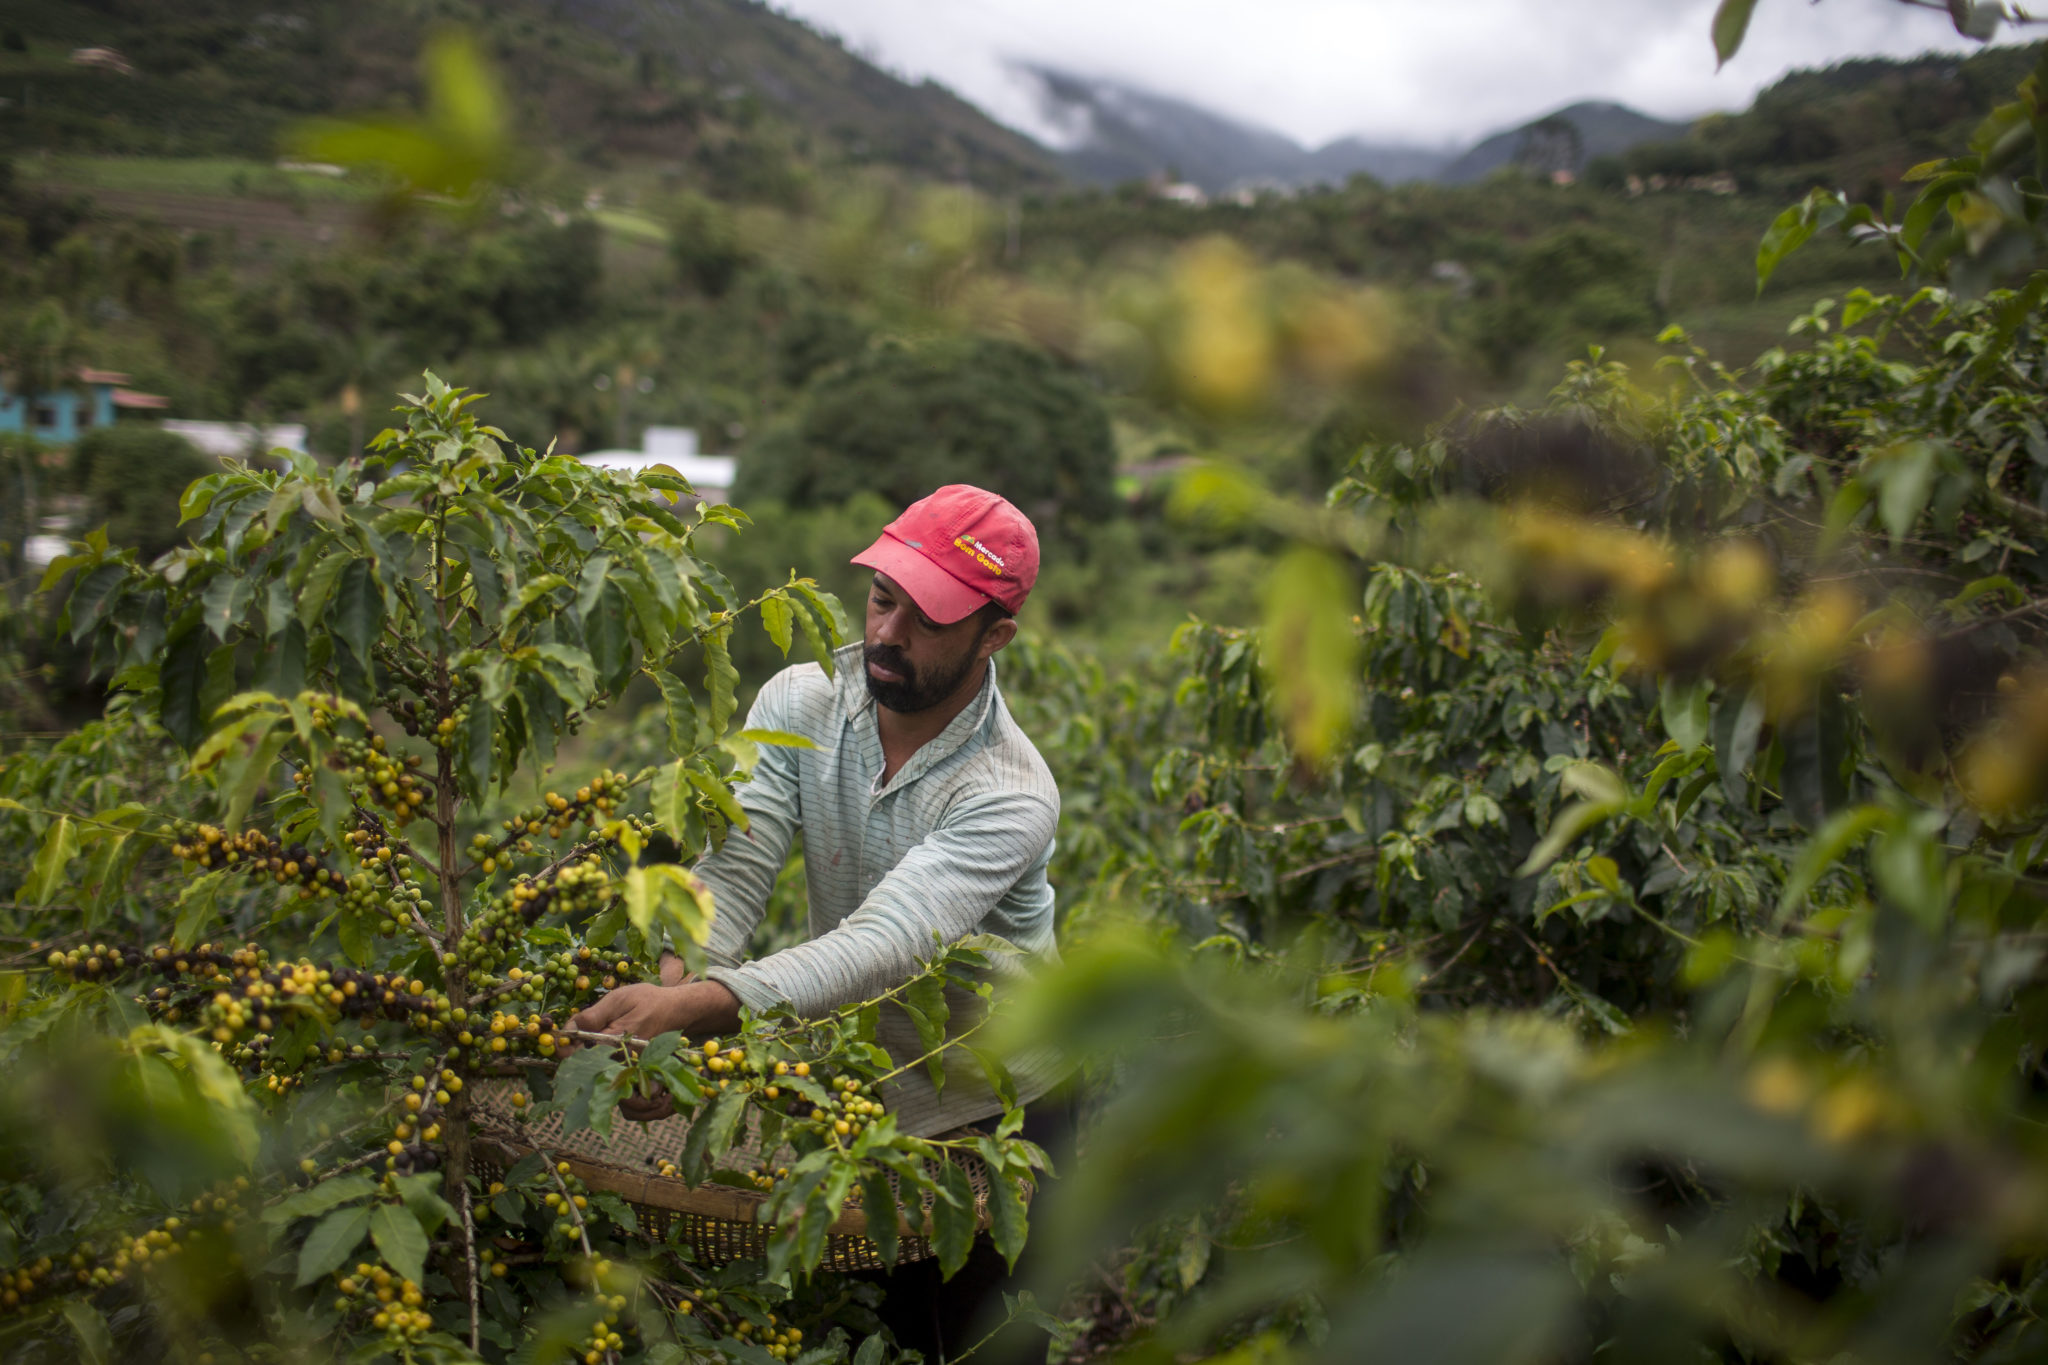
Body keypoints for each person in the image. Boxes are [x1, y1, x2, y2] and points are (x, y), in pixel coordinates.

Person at [570, 484, 1068, 1359]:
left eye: (927, 620)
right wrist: (669, 1002)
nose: (886, 633)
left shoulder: (1010, 793)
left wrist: (699, 1009)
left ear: (995, 636)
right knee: (844, 1330)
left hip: (997, 1118)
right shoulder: (802, 702)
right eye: (882, 599)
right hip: (859, 1097)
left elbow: (891, 943)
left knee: (969, 1341)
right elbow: (733, 865)